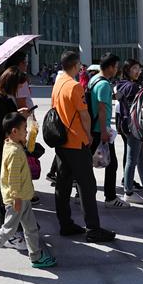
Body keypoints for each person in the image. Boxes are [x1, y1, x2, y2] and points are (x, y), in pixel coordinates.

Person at [0, 112, 56, 273]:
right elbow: (13, 179)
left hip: (23, 197)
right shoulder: (14, 152)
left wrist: (33, 131)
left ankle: (36, 256)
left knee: (31, 227)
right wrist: (16, 198)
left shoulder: (13, 144)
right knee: (8, 229)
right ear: (14, 131)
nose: (26, 131)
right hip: (16, 199)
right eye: (24, 128)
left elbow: (30, 146)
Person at [51, 50, 115, 243]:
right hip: (76, 142)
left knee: (63, 185)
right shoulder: (74, 86)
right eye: (79, 65)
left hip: (61, 142)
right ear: (74, 65)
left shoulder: (58, 84)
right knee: (87, 186)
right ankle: (93, 228)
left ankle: (65, 223)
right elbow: (84, 116)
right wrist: (88, 136)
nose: (81, 68)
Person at [0, 66, 30, 246]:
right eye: (17, 86)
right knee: (2, 191)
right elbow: (5, 125)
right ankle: (6, 232)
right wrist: (20, 117)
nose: (18, 90)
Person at [87, 53, 128, 208]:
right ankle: (110, 198)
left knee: (87, 162)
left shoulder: (94, 79)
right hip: (99, 129)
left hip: (93, 127)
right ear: (110, 67)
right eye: (116, 67)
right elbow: (102, 110)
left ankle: (80, 193)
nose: (117, 70)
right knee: (112, 164)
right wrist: (104, 131)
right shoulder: (104, 84)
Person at [116, 58, 143, 203]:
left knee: (140, 157)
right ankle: (128, 191)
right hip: (134, 126)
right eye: (134, 68)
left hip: (127, 125)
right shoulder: (132, 87)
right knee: (132, 158)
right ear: (127, 71)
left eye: (139, 68)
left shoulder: (122, 85)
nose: (138, 71)